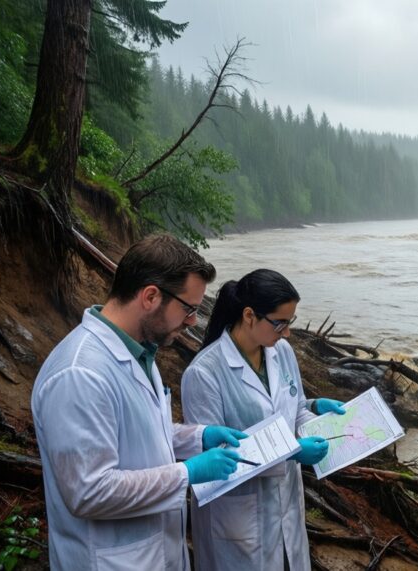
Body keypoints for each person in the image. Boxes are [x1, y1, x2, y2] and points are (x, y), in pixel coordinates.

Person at [31, 233, 253, 571]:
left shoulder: (138, 352)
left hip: (153, 553)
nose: (193, 321)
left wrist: (197, 437)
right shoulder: (80, 374)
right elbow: (90, 491)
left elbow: (134, 431)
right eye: (189, 309)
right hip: (110, 560)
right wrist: (187, 473)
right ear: (150, 296)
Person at [182, 268, 346, 571]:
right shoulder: (204, 373)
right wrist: (293, 452)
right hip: (238, 524)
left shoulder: (280, 352)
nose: (287, 333)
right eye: (280, 323)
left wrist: (316, 411)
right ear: (249, 316)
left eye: (290, 322)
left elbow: (293, 409)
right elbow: (214, 459)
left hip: (286, 510)